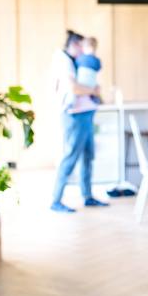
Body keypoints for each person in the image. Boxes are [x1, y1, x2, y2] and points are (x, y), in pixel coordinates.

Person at [50, 30, 109, 212]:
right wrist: (93, 91)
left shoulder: (75, 61)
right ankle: (56, 200)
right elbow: (74, 88)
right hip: (74, 116)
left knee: (87, 157)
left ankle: (88, 196)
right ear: (75, 45)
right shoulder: (63, 61)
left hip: (85, 113)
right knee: (70, 157)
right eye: (83, 47)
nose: (85, 52)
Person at [68, 36, 102, 114]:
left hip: (81, 80)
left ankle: (70, 104)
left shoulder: (80, 57)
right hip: (92, 82)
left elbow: (76, 65)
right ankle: (96, 99)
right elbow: (99, 67)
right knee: (94, 91)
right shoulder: (96, 60)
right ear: (95, 48)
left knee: (74, 93)